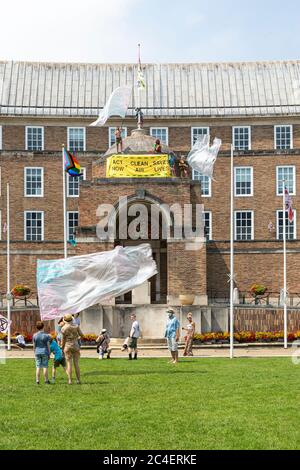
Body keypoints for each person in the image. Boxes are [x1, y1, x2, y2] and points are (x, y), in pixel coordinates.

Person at [61, 314, 84, 385]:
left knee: (69, 364)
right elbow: (82, 335)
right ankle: (78, 380)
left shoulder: (63, 328)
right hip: (75, 345)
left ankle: (70, 380)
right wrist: (77, 338)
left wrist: (62, 347)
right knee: (76, 364)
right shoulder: (76, 326)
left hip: (67, 346)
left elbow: (63, 339)